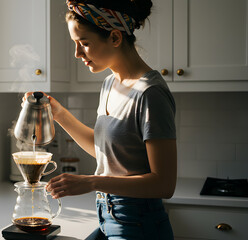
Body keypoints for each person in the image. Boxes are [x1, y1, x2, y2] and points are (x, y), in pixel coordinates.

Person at [24, 0, 177, 239]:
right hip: (108, 218)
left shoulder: (150, 93)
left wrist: (93, 182)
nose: (77, 53)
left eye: (84, 43)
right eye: (75, 44)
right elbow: (108, 153)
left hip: (139, 225)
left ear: (115, 38)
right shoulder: (109, 84)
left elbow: (164, 184)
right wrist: (59, 114)